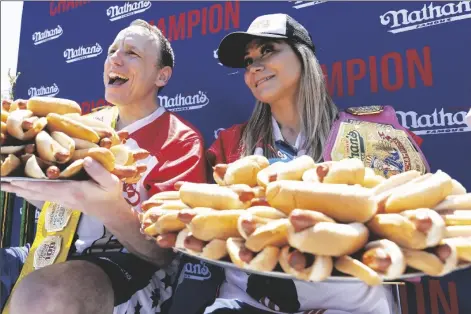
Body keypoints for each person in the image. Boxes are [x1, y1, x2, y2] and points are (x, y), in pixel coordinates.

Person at [201, 13, 430, 314]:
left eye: (267, 50)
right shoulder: (229, 146)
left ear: (303, 56)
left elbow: (414, 241)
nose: (254, 67)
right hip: (245, 304)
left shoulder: (372, 133)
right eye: (248, 61)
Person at [0, 19, 209, 314]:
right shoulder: (86, 124)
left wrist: (107, 206)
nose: (115, 58)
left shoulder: (181, 140)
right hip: (52, 250)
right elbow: (58, 204)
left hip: (132, 266)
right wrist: (22, 183)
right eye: (112, 50)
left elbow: (161, 254)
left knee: (47, 294)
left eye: (132, 53)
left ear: (161, 76)